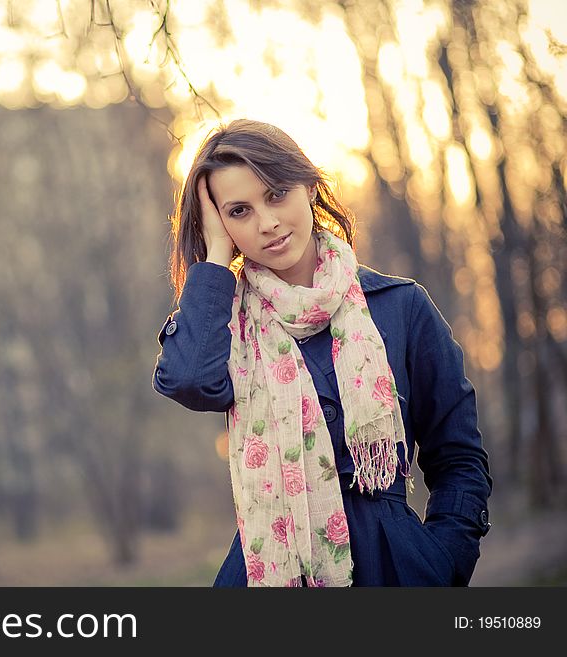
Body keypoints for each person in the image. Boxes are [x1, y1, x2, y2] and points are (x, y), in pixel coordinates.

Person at [151, 119, 493, 587]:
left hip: (394, 569)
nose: (267, 223)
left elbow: (458, 459)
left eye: (275, 194)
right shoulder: (229, 324)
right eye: (239, 211)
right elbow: (189, 379)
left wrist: (441, 562)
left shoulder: (400, 307)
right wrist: (214, 258)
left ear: (309, 187)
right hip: (267, 572)